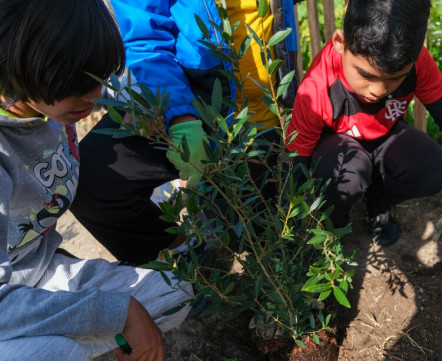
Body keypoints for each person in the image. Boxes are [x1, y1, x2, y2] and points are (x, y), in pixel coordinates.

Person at [0, 0, 193, 361]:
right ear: (24, 67)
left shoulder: (49, 100)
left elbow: (109, 86)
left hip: (36, 273)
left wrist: (157, 113)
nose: (95, 99)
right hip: (7, 298)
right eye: (80, 88)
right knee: (58, 359)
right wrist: (115, 312)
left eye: (101, 81)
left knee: (173, 294)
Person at [70, 0, 300, 265]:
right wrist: (180, 117)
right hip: (192, 97)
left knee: (251, 235)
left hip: (268, 116)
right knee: (91, 181)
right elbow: (145, 40)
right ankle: (189, 265)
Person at [285, 0, 442, 251]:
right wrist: (299, 222)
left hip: (384, 136)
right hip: (337, 147)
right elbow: (297, 159)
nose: (378, 91)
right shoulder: (317, 87)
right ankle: (332, 229)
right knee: (345, 174)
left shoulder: (417, 63)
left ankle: (379, 202)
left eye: (396, 78)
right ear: (340, 44)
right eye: (365, 74)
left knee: (433, 169)